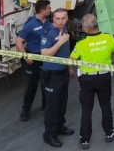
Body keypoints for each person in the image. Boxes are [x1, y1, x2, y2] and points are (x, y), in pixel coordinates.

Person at [71, 13, 114, 149]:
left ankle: (85, 139)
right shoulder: (109, 38)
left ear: (86, 28)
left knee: (86, 109)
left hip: (86, 79)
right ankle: (109, 133)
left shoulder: (81, 44)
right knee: (105, 105)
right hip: (104, 77)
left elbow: (71, 59)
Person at [40, 8, 74, 148]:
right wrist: (60, 42)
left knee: (62, 102)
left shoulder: (65, 28)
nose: (60, 21)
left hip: (63, 72)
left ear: (67, 18)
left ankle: (60, 126)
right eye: (57, 19)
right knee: (52, 107)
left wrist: (69, 68)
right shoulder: (47, 33)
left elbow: (66, 52)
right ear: (53, 19)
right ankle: (49, 134)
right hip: (51, 74)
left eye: (63, 18)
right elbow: (44, 54)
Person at [16, 0, 52, 121]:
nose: (50, 10)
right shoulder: (30, 25)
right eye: (48, 8)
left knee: (46, 82)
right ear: (42, 10)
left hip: (45, 57)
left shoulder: (48, 21)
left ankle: (46, 104)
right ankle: (26, 109)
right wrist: (26, 56)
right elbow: (19, 42)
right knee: (32, 85)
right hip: (34, 57)